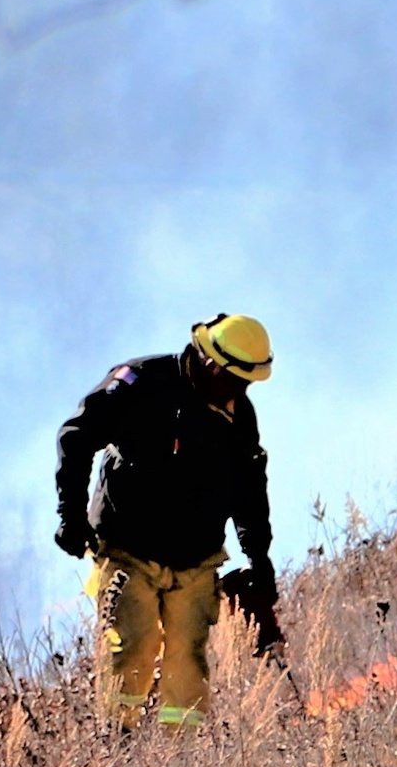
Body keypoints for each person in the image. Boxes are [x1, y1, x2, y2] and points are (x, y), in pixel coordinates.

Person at [55, 313, 277, 730]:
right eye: (236, 380)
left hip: (196, 558)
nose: (241, 391)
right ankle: (117, 740)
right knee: (133, 648)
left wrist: (259, 560)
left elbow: (249, 490)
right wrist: (71, 516)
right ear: (211, 364)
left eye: (247, 383)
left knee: (188, 664)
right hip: (127, 549)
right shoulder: (138, 383)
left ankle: (181, 755)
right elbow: (76, 436)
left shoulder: (238, 416)